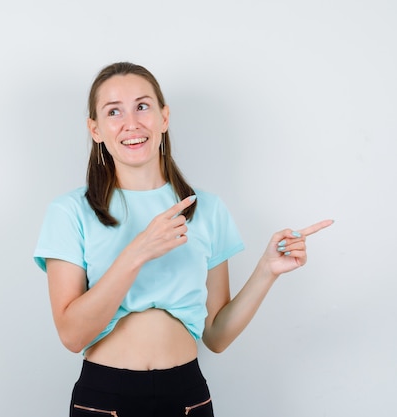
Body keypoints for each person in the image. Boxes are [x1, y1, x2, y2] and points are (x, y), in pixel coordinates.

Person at [33, 62, 333, 417]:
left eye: (142, 106)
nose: (131, 122)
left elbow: (216, 336)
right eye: (114, 111)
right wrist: (138, 252)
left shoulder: (206, 209)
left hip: (186, 396)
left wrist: (267, 270)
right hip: (104, 397)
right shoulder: (70, 211)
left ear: (164, 117)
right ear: (95, 129)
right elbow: (71, 335)